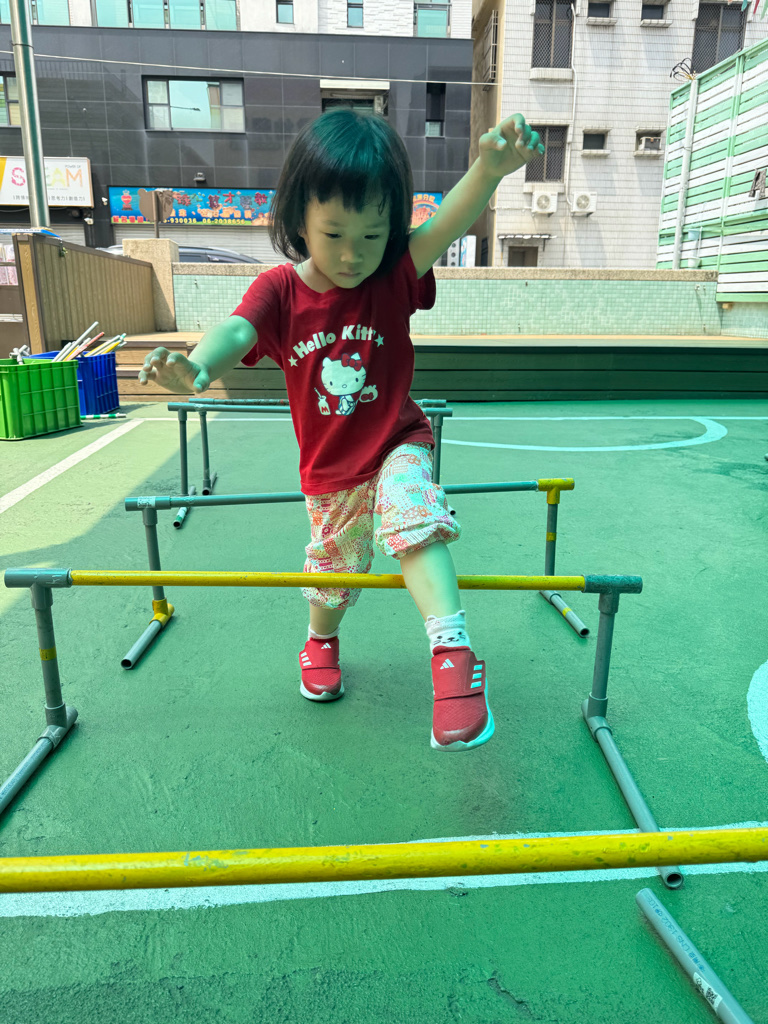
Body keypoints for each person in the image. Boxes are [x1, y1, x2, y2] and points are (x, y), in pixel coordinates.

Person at [139, 108, 543, 751]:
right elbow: (238, 330)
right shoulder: (280, 292)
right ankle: (320, 642)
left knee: (413, 516)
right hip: (330, 469)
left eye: (372, 235)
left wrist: (490, 170)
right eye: (334, 234)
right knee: (335, 570)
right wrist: (199, 365)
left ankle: (454, 654)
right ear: (299, 219)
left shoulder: (393, 274)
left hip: (397, 442)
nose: (353, 254)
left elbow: (446, 223)